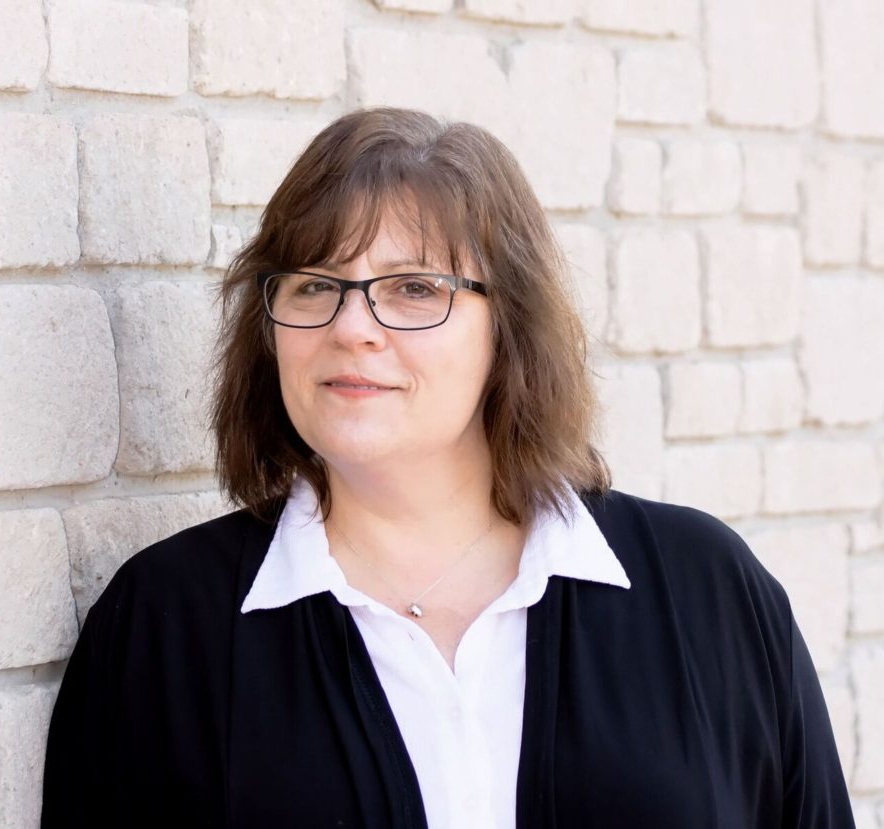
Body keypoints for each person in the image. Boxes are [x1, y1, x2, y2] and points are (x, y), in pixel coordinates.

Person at [41, 107, 854, 828]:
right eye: (316, 284)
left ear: (511, 326)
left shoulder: (706, 590)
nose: (353, 326)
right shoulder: (165, 627)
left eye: (414, 288)